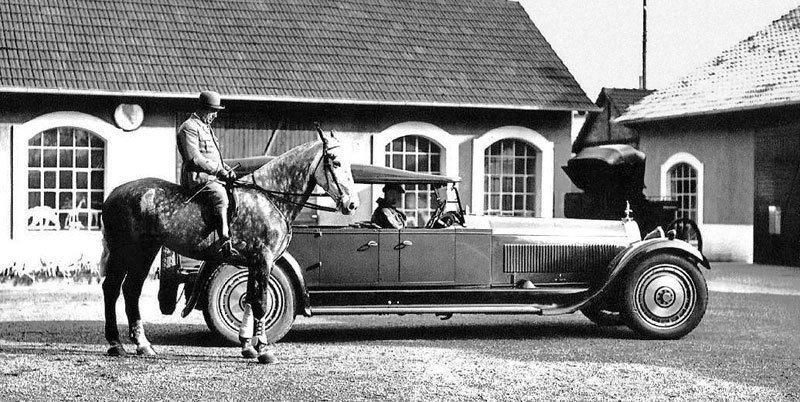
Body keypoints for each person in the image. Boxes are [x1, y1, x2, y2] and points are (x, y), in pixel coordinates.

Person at [177, 90, 238, 256]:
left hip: (212, 176)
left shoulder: (205, 128)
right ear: (204, 110)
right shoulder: (188, 128)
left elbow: (214, 157)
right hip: (198, 179)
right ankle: (224, 239)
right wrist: (219, 171)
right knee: (220, 196)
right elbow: (194, 159)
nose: (215, 115)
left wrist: (225, 169)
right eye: (214, 111)